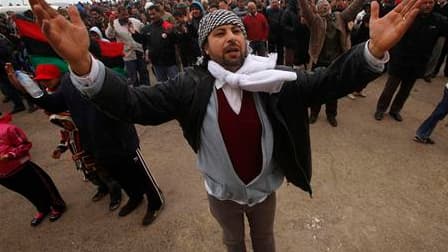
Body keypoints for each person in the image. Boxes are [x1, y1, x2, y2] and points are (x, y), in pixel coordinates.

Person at [29, 0, 422, 249]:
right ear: (204, 47)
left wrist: (372, 50)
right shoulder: (188, 85)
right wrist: (83, 65)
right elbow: (133, 103)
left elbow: (330, 81)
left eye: (236, 31)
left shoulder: (275, 77)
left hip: (264, 190)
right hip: (221, 193)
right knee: (233, 241)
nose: (231, 37)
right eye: (219, 33)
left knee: (265, 239)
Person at [7, 61, 165, 226]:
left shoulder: (99, 71)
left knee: (137, 171)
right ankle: (135, 196)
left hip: (119, 137)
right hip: (94, 141)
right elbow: (54, 104)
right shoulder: (68, 81)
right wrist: (25, 89)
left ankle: (156, 201)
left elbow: (124, 94)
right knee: (119, 173)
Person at [374, 0, 448, 122]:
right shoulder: (407, 15)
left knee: (405, 90)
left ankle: (395, 110)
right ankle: (381, 109)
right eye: (425, 3)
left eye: (431, 2)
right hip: (400, 59)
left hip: (418, 62)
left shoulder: (438, 20)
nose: (428, 5)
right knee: (390, 87)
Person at [0, 112, 66, 226]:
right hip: (3, 174)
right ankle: (42, 208)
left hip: (21, 166)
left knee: (41, 185)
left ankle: (57, 205)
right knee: (26, 192)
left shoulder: (8, 129)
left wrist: (10, 155)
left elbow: (25, 145)